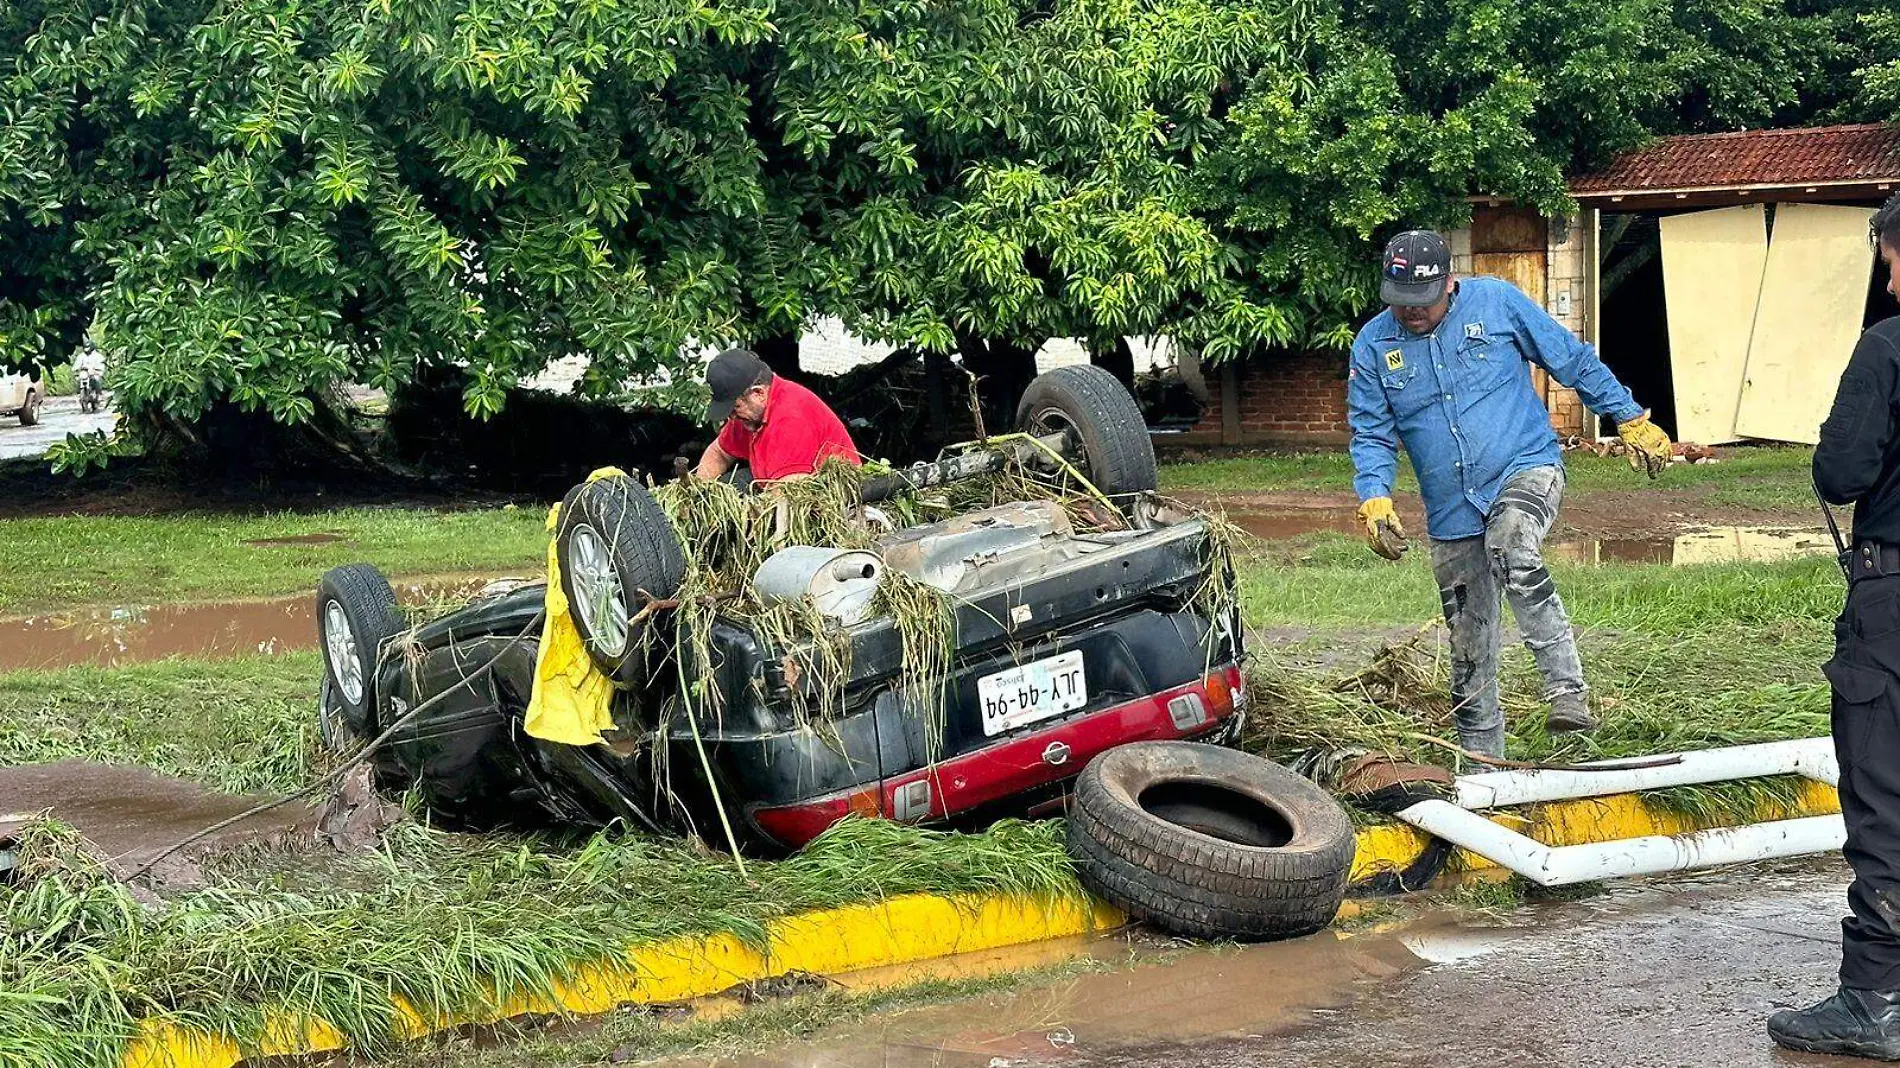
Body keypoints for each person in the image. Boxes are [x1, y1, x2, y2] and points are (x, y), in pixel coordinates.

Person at [1346, 230, 1674, 758]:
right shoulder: (1373, 346)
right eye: (1400, 302)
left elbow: (1569, 358)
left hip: (1525, 468)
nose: (1412, 313)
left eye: (1423, 302)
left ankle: (1567, 691)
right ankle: (1485, 782)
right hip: (1452, 510)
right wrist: (1375, 496)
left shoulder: (1496, 302)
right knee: (1468, 650)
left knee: (1512, 543)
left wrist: (1628, 415)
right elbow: (1371, 433)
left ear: (1449, 283)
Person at [1770, 193, 1900, 1061]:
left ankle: (1876, 1000)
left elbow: (1841, 469)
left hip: (1893, 605)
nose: (1887, 276)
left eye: (1889, 259)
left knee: (1887, 794)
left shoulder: (1887, 347)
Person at [693, 347, 861, 483]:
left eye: (735, 408)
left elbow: (788, 491)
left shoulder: (791, 416)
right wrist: (699, 494)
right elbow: (719, 452)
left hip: (825, 502)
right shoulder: (750, 414)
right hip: (776, 487)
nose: (732, 417)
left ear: (758, 393)